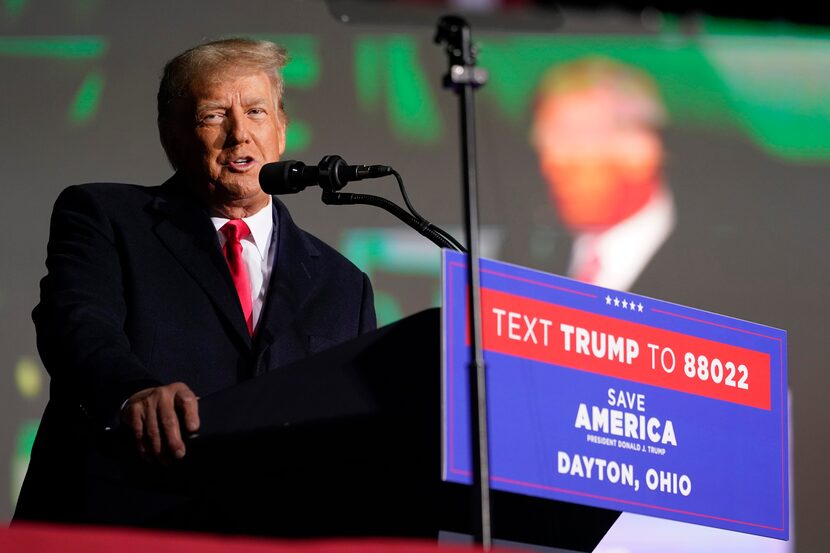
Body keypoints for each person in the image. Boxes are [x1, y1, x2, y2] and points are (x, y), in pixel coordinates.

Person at [14, 38, 376, 526]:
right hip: (124, 522)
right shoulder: (105, 217)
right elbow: (77, 325)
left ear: (282, 128)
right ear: (172, 136)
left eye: (255, 112)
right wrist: (133, 394)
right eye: (212, 115)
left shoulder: (343, 283)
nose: (239, 135)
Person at [530, 57, 675, 291]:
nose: (551, 164)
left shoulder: (723, 268)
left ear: (641, 148)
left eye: (574, 141)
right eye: (543, 148)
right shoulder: (533, 256)